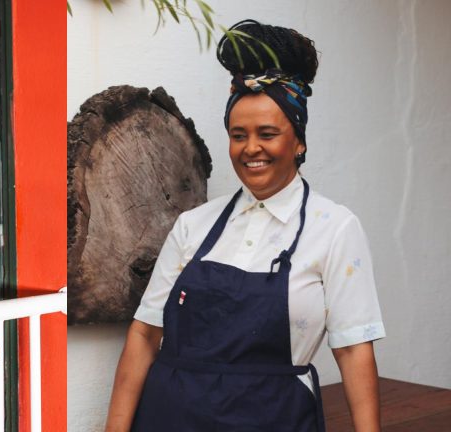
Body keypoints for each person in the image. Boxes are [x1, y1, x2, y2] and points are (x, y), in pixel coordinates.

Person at [105, 20, 385, 432]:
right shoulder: (193, 226)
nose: (251, 148)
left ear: (299, 141)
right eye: (239, 135)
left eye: (268, 133)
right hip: (169, 418)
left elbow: (353, 350)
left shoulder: (335, 229)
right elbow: (145, 335)